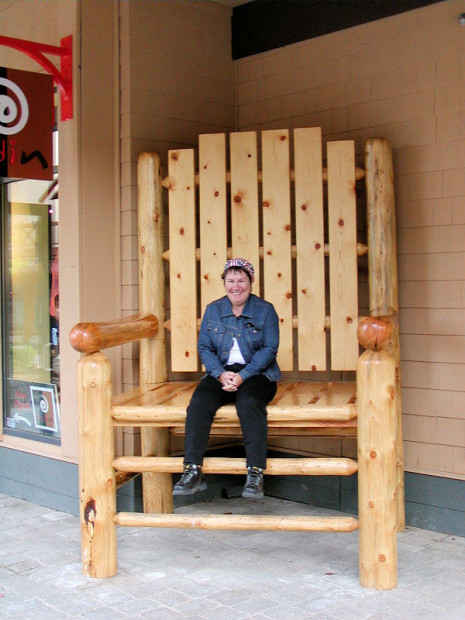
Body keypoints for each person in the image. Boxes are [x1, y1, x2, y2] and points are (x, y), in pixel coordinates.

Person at [173, 258, 281, 499]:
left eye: (241, 280)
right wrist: (221, 374)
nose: (236, 286)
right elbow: (204, 348)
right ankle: (192, 470)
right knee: (199, 403)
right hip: (221, 372)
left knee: (249, 402)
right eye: (230, 280)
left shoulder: (265, 310)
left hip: (257, 373)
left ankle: (255, 473)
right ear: (224, 283)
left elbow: (269, 350)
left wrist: (242, 377)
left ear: (251, 282)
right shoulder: (214, 309)